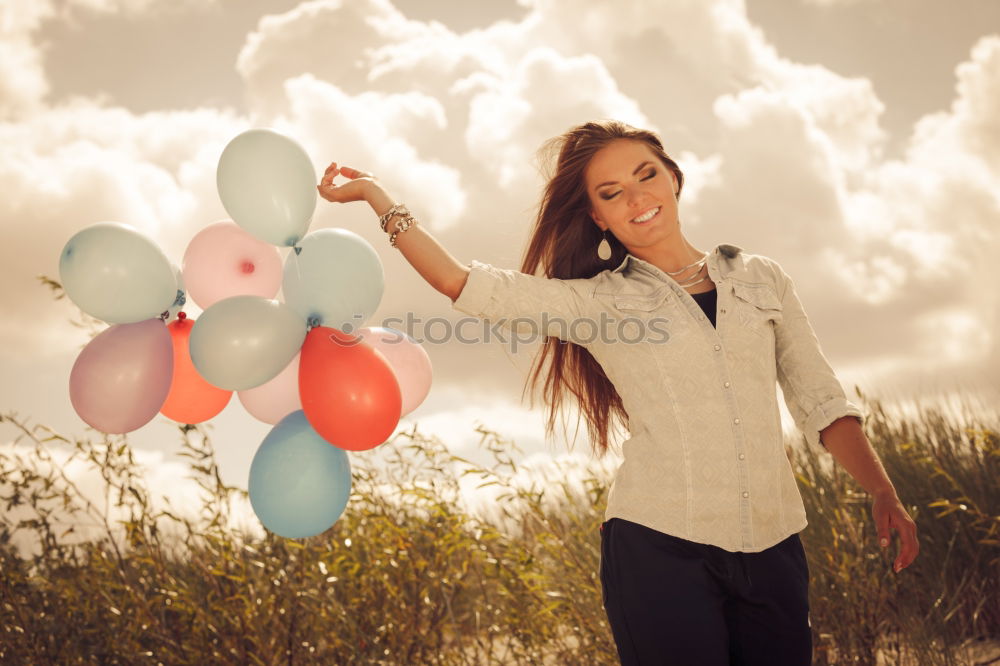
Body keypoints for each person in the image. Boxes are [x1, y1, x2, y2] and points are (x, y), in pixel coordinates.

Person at [317, 119, 919, 665]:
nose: (636, 198)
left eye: (645, 175)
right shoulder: (601, 303)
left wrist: (881, 487)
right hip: (660, 549)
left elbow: (821, 398)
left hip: (774, 545)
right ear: (598, 219)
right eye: (610, 194)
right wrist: (379, 198)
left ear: (673, 178)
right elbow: (462, 283)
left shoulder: (762, 280)